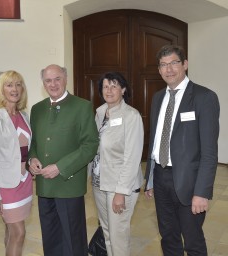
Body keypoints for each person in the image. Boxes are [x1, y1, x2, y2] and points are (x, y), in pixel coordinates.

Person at [144, 45, 220, 256]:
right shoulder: (158, 97)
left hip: (190, 183)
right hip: (160, 178)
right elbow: (155, 140)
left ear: (185, 65)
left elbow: (209, 152)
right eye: (163, 65)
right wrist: (150, 178)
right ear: (159, 70)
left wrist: (202, 192)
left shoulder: (204, 97)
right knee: (168, 237)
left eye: (174, 63)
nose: (169, 69)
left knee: (193, 241)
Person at [28, 64, 99, 256]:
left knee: (73, 239)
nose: (53, 84)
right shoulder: (37, 109)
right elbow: (33, 141)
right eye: (48, 80)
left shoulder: (82, 106)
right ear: (43, 83)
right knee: (50, 237)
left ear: (66, 79)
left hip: (69, 184)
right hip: (44, 184)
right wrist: (32, 158)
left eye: (57, 79)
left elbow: (90, 145)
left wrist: (60, 167)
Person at [91, 72, 144, 256]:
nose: (109, 90)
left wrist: (121, 192)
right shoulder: (99, 113)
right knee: (106, 232)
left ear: (123, 90)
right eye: (105, 86)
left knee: (118, 236)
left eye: (114, 86)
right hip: (100, 183)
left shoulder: (131, 116)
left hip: (119, 186)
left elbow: (132, 157)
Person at [0, 71, 32, 256]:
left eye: (18, 84)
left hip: (24, 181)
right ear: (1, 89)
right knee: (19, 233)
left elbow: (26, 149)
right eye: (9, 85)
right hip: (6, 186)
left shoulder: (24, 116)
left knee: (11, 232)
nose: (15, 89)